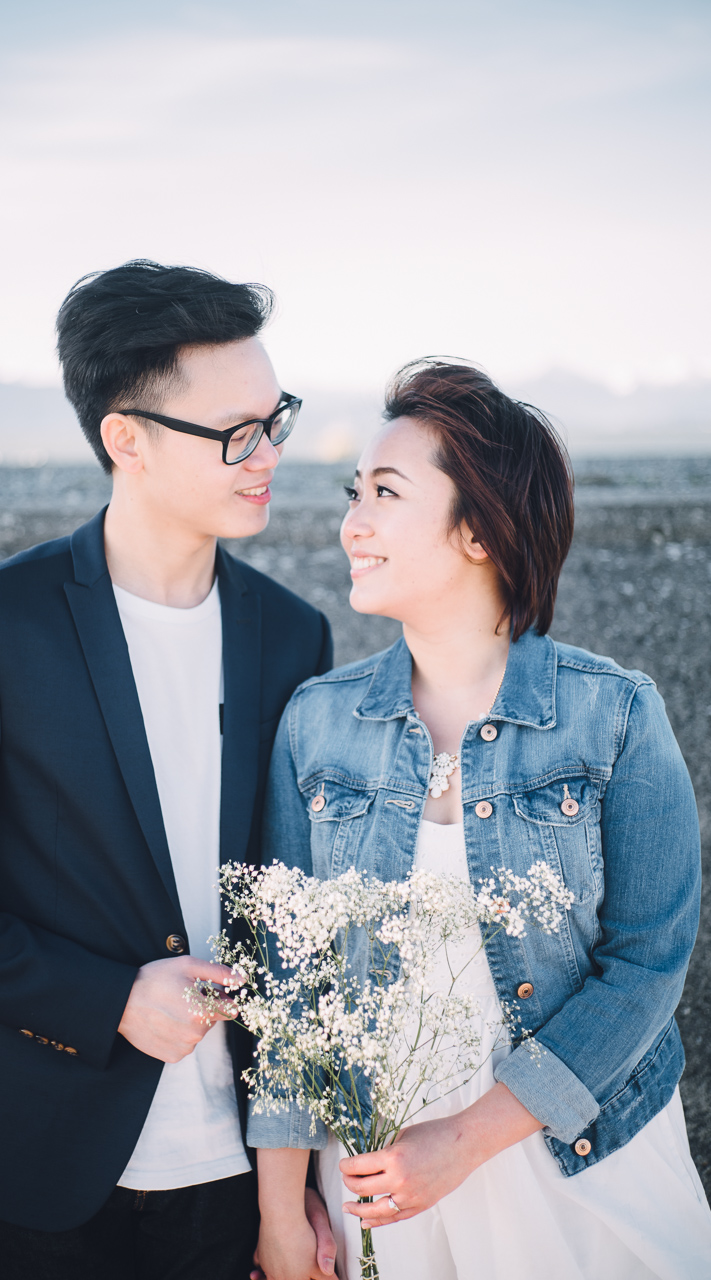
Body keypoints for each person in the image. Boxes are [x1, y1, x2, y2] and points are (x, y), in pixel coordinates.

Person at [0, 259, 338, 1280]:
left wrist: (296, 1179)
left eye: (276, 418)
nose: (269, 456)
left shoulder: (294, 636)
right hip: (39, 1164)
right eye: (235, 434)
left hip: (240, 1169)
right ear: (128, 437)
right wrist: (106, 995)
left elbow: (300, 913)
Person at [248, 359, 711, 1280]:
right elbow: (290, 989)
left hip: (582, 1156)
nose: (352, 521)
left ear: (476, 530)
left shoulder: (613, 715)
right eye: (354, 492)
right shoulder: (317, 723)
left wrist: (465, 1139)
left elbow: (647, 967)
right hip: (383, 1182)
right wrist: (279, 1214)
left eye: (385, 491)